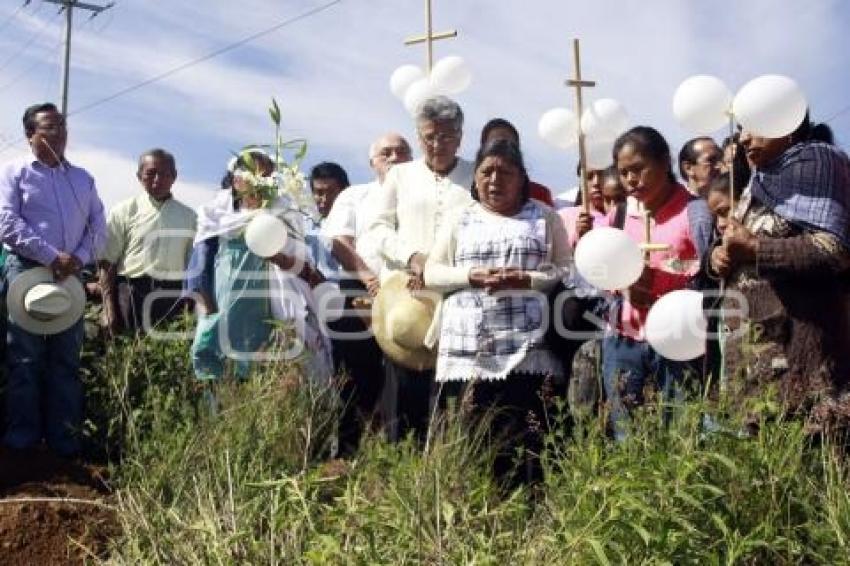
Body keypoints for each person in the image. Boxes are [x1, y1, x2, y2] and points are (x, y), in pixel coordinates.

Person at [424, 139, 570, 484]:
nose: (494, 180)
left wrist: (527, 279)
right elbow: (432, 272)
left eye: (505, 172)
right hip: (469, 348)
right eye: (486, 172)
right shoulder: (461, 218)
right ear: (474, 178)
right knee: (472, 430)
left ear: (522, 178)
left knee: (525, 433)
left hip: (529, 346)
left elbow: (565, 270)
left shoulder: (544, 217)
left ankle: (528, 511)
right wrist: (469, 276)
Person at [709, 118, 850, 431]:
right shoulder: (757, 183)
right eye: (742, 129)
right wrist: (720, 257)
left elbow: (833, 251)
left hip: (800, 352)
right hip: (754, 357)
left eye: (754, 126)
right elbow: (740, 254)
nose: (744, 139)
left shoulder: (818, 164)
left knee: (810, 463)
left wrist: (756, 249)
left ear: (786, 120)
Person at [0, 102, 107, 456]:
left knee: (66, 360)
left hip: (69, 276)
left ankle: (64, 445)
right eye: (49, 128)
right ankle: (23, 443)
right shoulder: (13, 172)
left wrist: (77, 258)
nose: (59, 134)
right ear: (31, 135)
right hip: (27, 270)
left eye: (62, 127)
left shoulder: (82, 179)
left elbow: (98, 227)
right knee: (25, 358)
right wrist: (50, 256)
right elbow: (6, 222)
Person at [368, 95, 474, 441]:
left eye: (445, 136)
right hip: (406, 297)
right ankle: (401, 475)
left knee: (453, 399)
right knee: (403, 399)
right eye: (428, 136)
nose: (436, 144)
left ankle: (450, 473)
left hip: (457, 296)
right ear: (419, 137)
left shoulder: (475, 174)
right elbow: (378, 229)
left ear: (459, 137)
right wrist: (412, 257)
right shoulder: (400, 175)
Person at [185, 151, 332, 384]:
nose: (260, 183)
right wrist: (209, 316)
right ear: (236, 180)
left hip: (275, 318)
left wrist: (281, 259)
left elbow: (306, 270)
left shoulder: (285, 216)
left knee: (274, 379)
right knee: (227, 380)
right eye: (253, 175)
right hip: (227, 312)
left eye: (267, 177)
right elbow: (198, 271)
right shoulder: (216, 217)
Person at [605, 126, 713, 440]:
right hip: (624, 339)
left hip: (679, 339)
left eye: (638, 169)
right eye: (624, 173)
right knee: (628, 437)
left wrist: (663, 285)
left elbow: (709, 275)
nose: (630, 180)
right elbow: (605, 270)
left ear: (665, 162)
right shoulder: (620, 215)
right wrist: (625, 287)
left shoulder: (696, 213)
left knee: (681, 434)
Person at [308, 161, 386, 455]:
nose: (323, 199)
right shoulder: (306, 230)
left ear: (344, 192)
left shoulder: (359, 226)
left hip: (352, 307)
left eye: (330, 192)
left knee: (364, 380)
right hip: (317, 317)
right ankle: (333, 452)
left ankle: (363, 450)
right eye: (317, 193)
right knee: (336, 384)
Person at [99, 148, 197, 334]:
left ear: (174, 176)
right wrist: (108, 310)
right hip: (131, 294)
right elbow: (107, 264)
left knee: (166, 359)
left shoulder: (190, 217)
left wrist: (189, 307)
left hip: (172, 296)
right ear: (139, 176)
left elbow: (192, 268)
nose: (157, 179)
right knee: (128, 353)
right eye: (150, 173)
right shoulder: (124, 211)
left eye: (164, 174)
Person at [479, 118, 555, 206]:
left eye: (508, 144)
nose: (501, 149)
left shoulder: (539, 194)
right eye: (495, 144)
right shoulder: (467, 194)